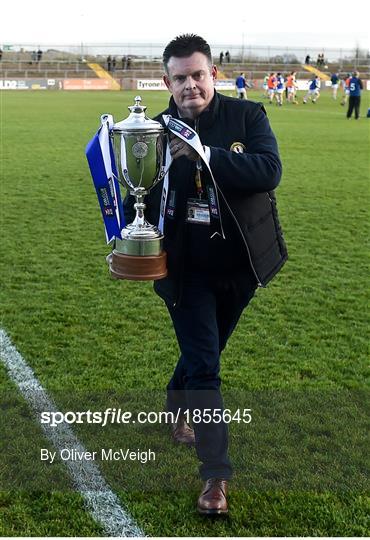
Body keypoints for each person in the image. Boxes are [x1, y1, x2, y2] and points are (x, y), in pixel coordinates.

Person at [123, 33, 287, 515]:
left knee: (205, 351)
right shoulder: (153, 131)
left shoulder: (247, 116)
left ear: (212, 72)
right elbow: (145, 199)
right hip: (186, 269)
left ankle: (177, 405)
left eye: (197, 74)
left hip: (240, 265)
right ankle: (215, 477)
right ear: (167, 82)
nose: (190, 85)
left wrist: (207, 156)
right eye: (179, 78)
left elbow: (268, 170)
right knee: (206, 367)